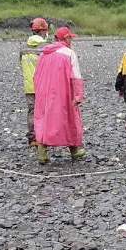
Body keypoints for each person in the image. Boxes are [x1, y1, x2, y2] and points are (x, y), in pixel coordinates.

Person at [32, 26, 85, 163]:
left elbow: (36, 75)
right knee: (69, 118)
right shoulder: (69, 53)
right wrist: (78, 95)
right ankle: (74, 150)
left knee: (44, 119)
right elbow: (76, 76)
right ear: (64, 38)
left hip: (44, 92)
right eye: (69, 38)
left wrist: (38, 91)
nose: (70, 40)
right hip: (63, 91)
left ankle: (42, 153)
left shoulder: (44, 53)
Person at [20, 17, 50, 147]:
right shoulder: (47, 47)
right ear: (43, 31)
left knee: (32, 112)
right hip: (43, 85)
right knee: (43, 112)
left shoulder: (23, 47)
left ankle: (32, 139)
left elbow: (21, 65)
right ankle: (43, 137)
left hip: (29, 85)